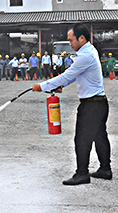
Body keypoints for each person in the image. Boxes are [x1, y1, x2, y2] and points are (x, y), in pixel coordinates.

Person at [32, 23, 111, 185]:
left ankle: (82, 173)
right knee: (100, 137)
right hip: (99, 103)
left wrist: (43, 86)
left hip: (91, 106)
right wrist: (60, 86)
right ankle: (105, 169)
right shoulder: (89, 50)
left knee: (82, 139)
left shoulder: (85, 56)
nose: (70, 43)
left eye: (71, 40)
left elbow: (67, 75)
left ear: (81, 38)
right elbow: (76, 75)